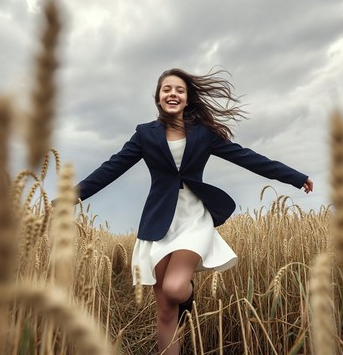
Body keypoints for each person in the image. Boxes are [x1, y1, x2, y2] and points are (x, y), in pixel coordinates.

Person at [75, 68, 313, 355]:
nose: (172, 94)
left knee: (175, 289)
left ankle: (189, 299)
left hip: (194, 219)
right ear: (158, 98)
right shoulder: (144, 134)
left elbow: (248, 158)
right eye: (167, 89)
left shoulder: (203, 134)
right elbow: (111, 168)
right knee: (164, 310)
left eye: (179, 90)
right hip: (158, 220)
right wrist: (70, 197)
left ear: (187, 99)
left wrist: (295, 177)